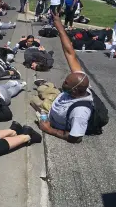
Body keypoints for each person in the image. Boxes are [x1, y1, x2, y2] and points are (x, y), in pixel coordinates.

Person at [37, 10, 94, 143]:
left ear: (74, 90)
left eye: (66, 83)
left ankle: (45, 91)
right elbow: (70, 53)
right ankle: (45, 87)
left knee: (34, 99)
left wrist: (49, 130)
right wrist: (59, 26)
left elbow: (76, 137)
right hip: (60, 100)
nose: (64, 82)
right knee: (42, 89)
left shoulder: (80, 112)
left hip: (52, 112)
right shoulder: (80, 80)